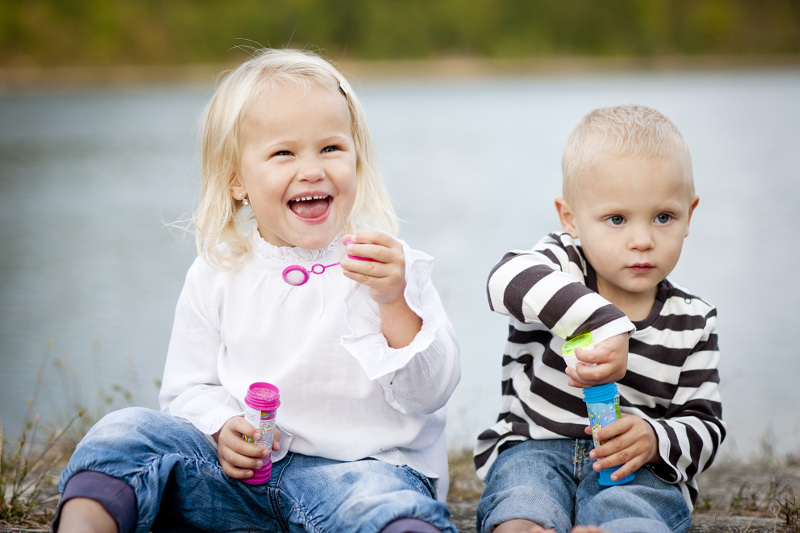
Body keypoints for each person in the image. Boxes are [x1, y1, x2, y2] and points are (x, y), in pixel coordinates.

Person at [53, 48, 461, 533]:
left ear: (357, 156)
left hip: (357, 475)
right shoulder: (217, 271)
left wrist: (394, 301)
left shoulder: (388, 267)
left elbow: (431, 392)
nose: (312, 170)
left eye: (331, 148)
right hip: (242, 484)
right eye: (284, 153)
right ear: (237, 180)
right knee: (126, 433)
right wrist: (221, 427)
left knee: (383, 503)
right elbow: (188, 389)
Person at [473, 104, 725, 533]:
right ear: (570, 218)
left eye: (664, 217)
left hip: (635, 467)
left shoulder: (693, 320)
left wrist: (654, 440)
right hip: (536, 447)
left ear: (690, 214)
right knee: (521, 498)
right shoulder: (561, 267)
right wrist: (603, 322)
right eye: (617, 219)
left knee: (636, 508)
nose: (642, 240)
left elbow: (706, 426)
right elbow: (505, 279)